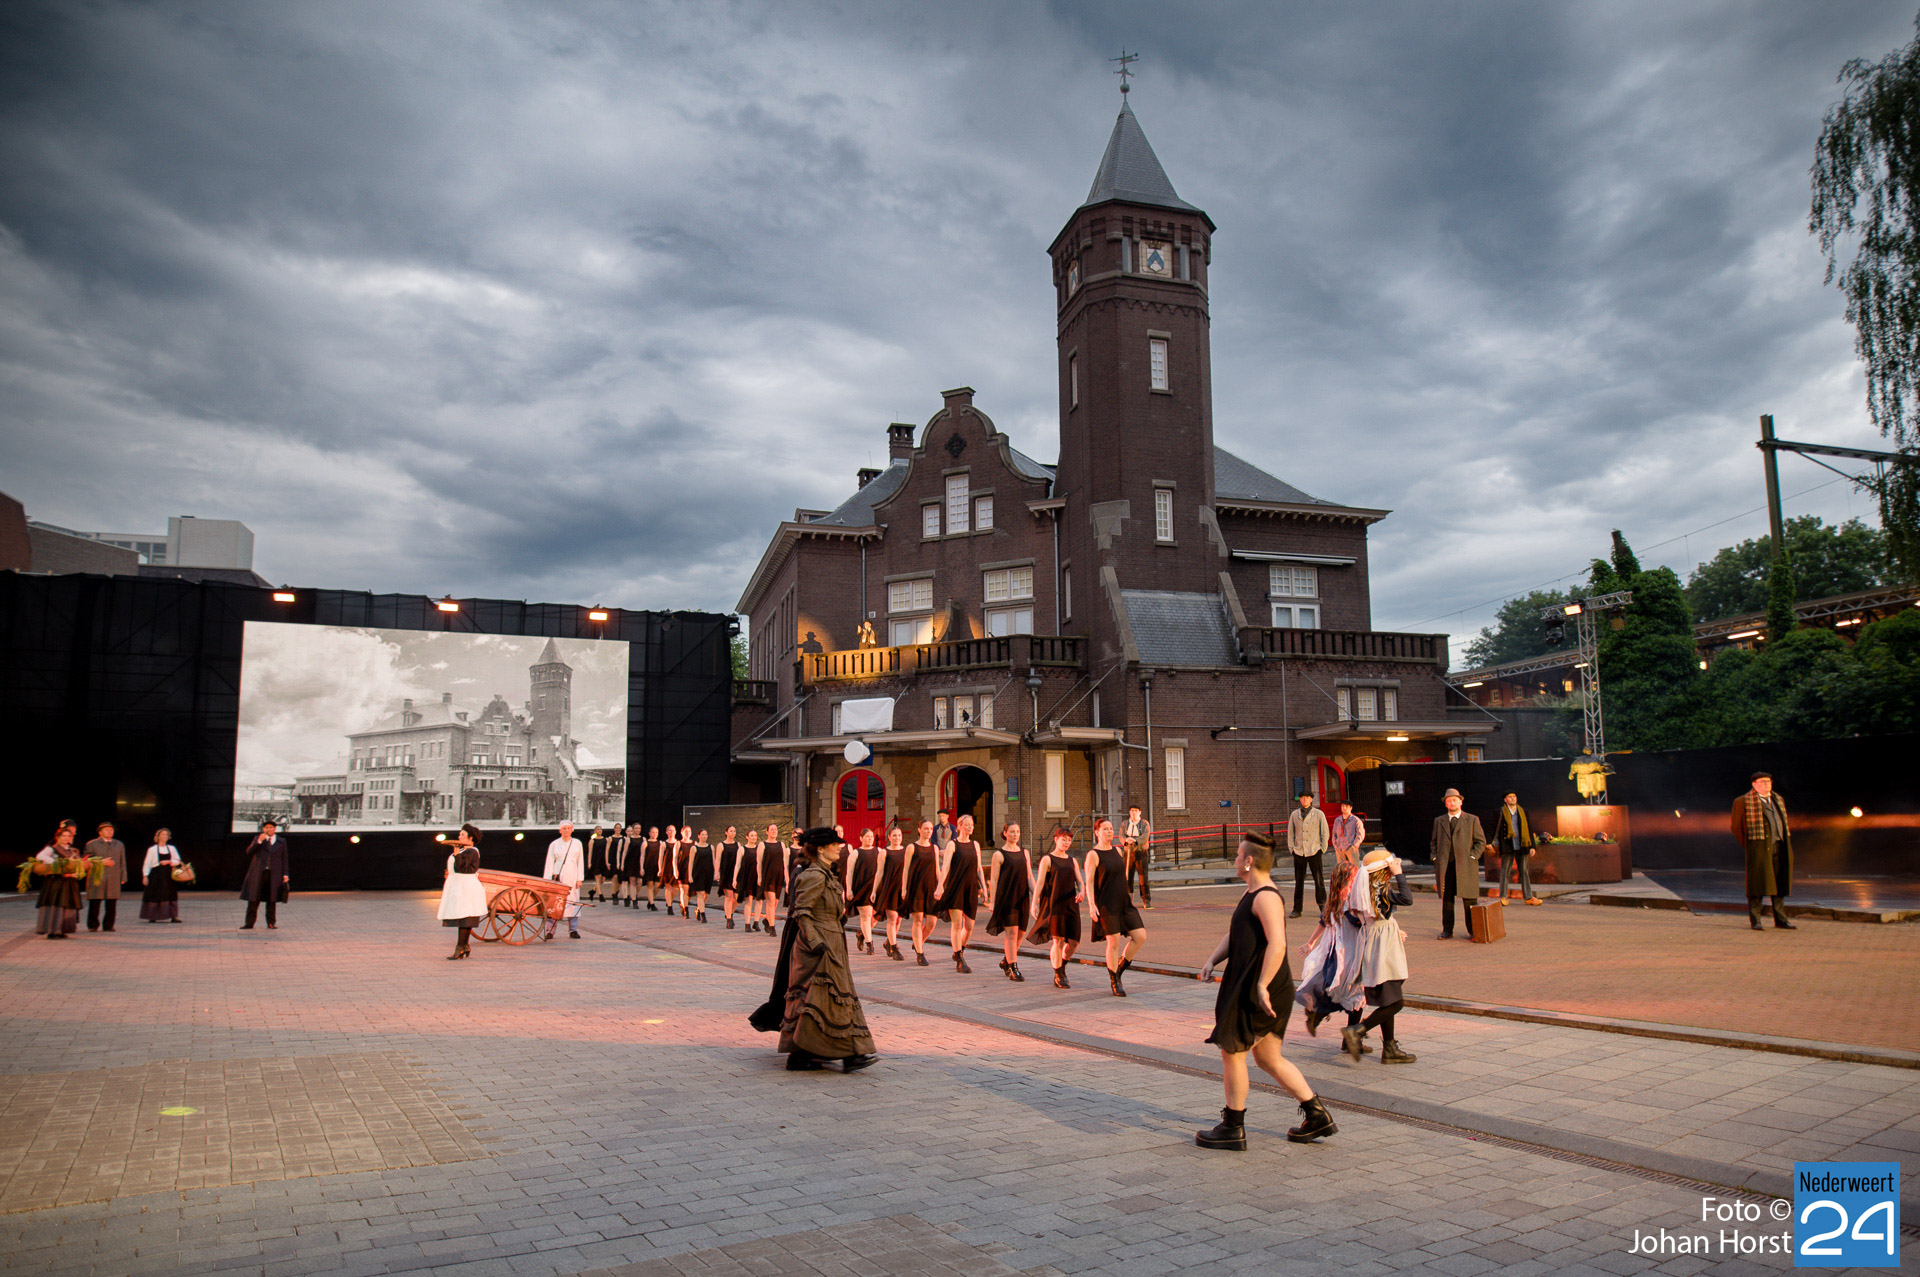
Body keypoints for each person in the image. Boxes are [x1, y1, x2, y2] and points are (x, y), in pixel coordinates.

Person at [1196, 832, 1337, 1150]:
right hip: (1257, 985)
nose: (1234, 859)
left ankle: (1233, 1127)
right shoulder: (1252, 893)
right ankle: (1316, 1115)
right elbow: (1236, 934)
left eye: (1237, 855)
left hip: (1262, 988)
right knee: (1269, 1058)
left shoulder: (1266, 897)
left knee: (1233, 1052)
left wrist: (1261, 985)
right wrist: (1212, 960)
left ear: (1248, 861)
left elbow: (1278, 944)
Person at [750, 828, 877, 1073]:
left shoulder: (827, 873)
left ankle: (847, 1053)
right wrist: (816, 942)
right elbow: (802, 913)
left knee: (834, 997)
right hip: (816, 947)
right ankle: (809, 1055)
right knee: (814, 999)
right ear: (820, 849)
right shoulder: (813, 875)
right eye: (834, 845)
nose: (839, 848)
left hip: (832, 942)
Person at [1337, 849, 1416, 1063]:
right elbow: (1407, 898)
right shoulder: (1382, 889)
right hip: (1384, 945)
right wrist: (1399, 874)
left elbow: (1351, 914)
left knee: (1387, 999)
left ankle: (1389, 1048)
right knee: (1395, 1002)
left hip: (1370, 941)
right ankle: (1358, 1031)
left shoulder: (1363, 888)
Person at [1086, 816, 1146, 996]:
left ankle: (1119, 967)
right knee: (1114, 941)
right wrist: (1091, 905)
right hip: (1106, 904)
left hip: (1123, 902)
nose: (1109, 831)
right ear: (1097, 832)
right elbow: (1089, 882)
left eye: (1111, 828)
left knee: (1140, 936)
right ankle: (1115, 980)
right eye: (1105, 829)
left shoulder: (1118, 851)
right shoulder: (1093, 855)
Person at [1733, 772, 1795, 931]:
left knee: (1780, 883)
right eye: (1762, 781)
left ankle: (1781, 919)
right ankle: (1756, 920)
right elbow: (1736, 827)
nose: (1766, 784)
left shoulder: (1778, 799)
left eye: (1768, 781)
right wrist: (1751, 846)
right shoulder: (1743, 801)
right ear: (1754, 784)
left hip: (1779, 845)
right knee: (1757, 884)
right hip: (1759, 848)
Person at [1030, 826, 1084, 988]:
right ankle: (1058, 973)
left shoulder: (1072, 860)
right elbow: (1040, 882)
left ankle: (1061, 966)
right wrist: (1034, 903)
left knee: (1074, 942)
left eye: (1069, 840)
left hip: (1071, 904)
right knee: (1058, 940)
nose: (1066, 842)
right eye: (1063, 839)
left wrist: (1082, 892)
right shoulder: (1048, 859)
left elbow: (1080, 881)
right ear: (1056, 839)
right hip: (1054, 904)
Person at [1429, 789, 1487, 940]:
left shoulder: (1472, 820)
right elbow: (1433, 842)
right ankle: (1447, 930)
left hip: (1466, 866)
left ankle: (1473, 931)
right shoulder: (1439, 821)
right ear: (1445, 804)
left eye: (1454, 800)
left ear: (1461, 801)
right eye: (1449, 801)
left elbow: (1481, 842)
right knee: (1447, 900)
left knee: (1469, 900)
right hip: (1446, 867)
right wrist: (1434, 857)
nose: (1452, 803)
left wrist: (1473, 856)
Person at [934, 813, 986, 973]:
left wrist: (984, 888)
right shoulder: (952, 845)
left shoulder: (975, 845)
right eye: (967, 824)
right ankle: (959, 957)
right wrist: (940, 886)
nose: (970, 827)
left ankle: (959, 950)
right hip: (955, 887)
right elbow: (946, 867)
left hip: (970, 888)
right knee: (957, 924)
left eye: (972, 825)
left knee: (969, 926)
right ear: (960, 826)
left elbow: (979, 868)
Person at [984, 822, 1033, 982]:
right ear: (1005, 833)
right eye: (1012, 831)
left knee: (1021, 933)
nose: (1015, 834)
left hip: (1022, 897)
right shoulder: (999, 855)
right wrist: (992, 901)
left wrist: (1037, 894)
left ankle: (1006, 960)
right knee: (1011, 933)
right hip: (1007, 898)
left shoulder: (1025, 853)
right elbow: (994, 880)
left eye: (1017, 831)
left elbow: (1029, 876)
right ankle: (1013, 967)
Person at [438, 824, 487, 959]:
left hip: (467, 887)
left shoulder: (472, 852)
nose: (459, 837)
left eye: (462, 835)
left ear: (470, 838)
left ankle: (460, 947)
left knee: (465, 917)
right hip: (458, 886)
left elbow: (461, 867)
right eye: (459, 834)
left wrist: (456, 851)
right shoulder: (463, 851)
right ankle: (464, 946)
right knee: (462, 916)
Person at [901, 818, 941, 966]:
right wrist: (904, 888)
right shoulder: (912, 847)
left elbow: (937, 869)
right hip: (916, 887)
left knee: (932, 922)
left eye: (930, 829)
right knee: (917, 919)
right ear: (919, 830)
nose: (928, 831)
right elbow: (906, 869)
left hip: (931, 887)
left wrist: (941, 885)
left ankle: (918, 942)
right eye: (925, 828)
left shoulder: (934, 848)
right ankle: (920, 952)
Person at [33, 824, 84, 939]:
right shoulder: (51, 849)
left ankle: (61, 930)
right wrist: (57, 864)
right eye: (63, 836)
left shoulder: (73, 850)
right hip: (55, 882)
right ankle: (53, 931)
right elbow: (40, 856)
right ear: (58, 837)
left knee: (67, 905)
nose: (66, 838)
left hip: (69, 882)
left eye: (68, 836)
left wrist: (75, 873)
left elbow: (79, 864)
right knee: (56, 905)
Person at [1491, 792, 1541, 905]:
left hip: (1522, 845)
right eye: (1510, 797)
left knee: (1524, 871)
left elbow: (1529, 829)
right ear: (1505, 800)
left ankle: (1528, 897)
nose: (1513, 798)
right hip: (1507, 845)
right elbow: (1493, 828)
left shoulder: (1523, 811)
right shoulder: (1500, 812)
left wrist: (1532, 846)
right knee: (1505, 871)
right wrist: (1489, 842)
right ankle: (1503, 897)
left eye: (1514, 796)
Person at [240, 819, 290, 930]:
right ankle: (249, 923)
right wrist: (259, 841)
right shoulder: (258, 839)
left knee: (271, 898)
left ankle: (271, 922)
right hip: (259, 873)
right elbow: (249, 851)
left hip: (274, 874)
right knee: (254, 898)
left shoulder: (281, 841)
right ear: (263, 829)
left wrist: (285, 874)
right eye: (266, 828)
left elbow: (284, 858)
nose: (268, 829)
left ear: (275, 829)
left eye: (271, 827)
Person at [1286, 793, 1330, 918]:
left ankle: (1323, 907)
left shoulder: (1319, 814)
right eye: (1302, 798)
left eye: (1307, 798)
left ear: (1311, 800)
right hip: (1299, 851)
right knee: (1299, 881)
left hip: (1314, 850)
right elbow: (1290, 832)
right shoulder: (1294, 814)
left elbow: (1324, 832)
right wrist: (1291, 848)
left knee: (1318, 880)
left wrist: (1322, 848)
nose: (1304, 800)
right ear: (1300, 799)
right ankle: (1297, 909)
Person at [84, 821, 130, 932]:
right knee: (95, 901)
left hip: (113, 876)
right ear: (100, 832)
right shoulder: (92, 844)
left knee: (111, 903)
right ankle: (93, 925)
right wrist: (101, 861)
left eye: (111, 829)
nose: (109, 831)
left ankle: (109, 925)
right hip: (97, 876)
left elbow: (122, 862)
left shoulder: (119, 844)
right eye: (106, 830)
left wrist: (123, 876)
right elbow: (86, 860)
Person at [844, 827, 883, 954]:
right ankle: (869, 944)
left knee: (876, 915)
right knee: (866, 915)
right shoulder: (856, 853)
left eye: (871, 836)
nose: (870, 838)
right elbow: (849, 872)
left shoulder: (879, 851)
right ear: (861, 838)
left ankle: (862, 934)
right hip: (861, 887)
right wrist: (849, 889)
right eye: (867, 836)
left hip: (876, 887)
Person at [544, 821, 585, 940]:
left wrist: (579, 879)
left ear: (572, 829)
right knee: (554, 903)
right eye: (564, 828)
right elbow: (549, 862)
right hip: (558, 876)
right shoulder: (554, 844)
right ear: (560, 830)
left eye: (568, 828)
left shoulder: (577, 843)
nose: (566, 830)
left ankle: (573, 930)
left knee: (573, 902)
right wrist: (548, 880)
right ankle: (550, 930)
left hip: (572, 876)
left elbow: (580, 861)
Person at [874, 824, 910, 960]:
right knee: (892, 917)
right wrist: (874, 891)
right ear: (889, 837)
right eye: (894, 835)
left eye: (899, 835)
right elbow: (879, 872)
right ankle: (894, 949)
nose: (897, 838)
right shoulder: (884, 852)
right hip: (889, 888)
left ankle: (888, 942)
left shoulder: (906, 851)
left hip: (902, 888)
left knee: (899, 918)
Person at [139, 827, 184, 923]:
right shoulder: (152, 849)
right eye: (163, 835)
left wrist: (169, 861)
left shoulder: (172, 848)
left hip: (168, 876)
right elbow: (147, 863)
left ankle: (173, 916)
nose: (165, 836)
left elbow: (178, 861)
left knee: (170, 894)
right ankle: (152, 916)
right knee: (155, 894)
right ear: (158, 836)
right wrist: (145, 876)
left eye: (166, 835)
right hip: (156, 875)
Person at [1119, 804, 1154, 908]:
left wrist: (1135, 840)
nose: (1134, 813)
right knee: (1127, 877)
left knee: (1143, 877)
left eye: (1136, 811)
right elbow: (1121, 835)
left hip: (1141, 853)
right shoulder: (1125, 824)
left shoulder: (1144, 823)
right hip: (1128, 853)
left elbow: (1145, 836)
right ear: (1129, 812)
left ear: (1139, 812)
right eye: (1132, 811)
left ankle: (1146, 900)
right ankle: (1128, 901)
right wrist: (1126, 841)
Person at [759, 823, 789, 937]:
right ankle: (772, 927)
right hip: (768, 876)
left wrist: (786, 878)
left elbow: (785, 863)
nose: (774, 831)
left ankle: (767, 919)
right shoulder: (763, 844)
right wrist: (760, 877)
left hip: (779, 876)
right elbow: (759, 862)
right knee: (770, 901)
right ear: (767, 832)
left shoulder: (781, 844)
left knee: (776, 902)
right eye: (771, 830)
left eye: (775, 829)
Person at [735, 828, 764, 931]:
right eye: (751, 835)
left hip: (758, 877)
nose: (754, 837)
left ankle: (756, 922)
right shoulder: (742, 849)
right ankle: (747, 923)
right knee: (749, 900)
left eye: (755, 835)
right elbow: (737, 865)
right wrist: (734, 878)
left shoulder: (759, 848)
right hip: (747, 877)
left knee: (759, 900)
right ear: (747, 837)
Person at [687, 828, 715, 923]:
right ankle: (703, 914)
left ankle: (698, 909)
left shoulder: (711, 847)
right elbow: (691, 862)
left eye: (706, 834)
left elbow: (713, 860)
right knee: (700, 893)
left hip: (708, 873)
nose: (704, 836)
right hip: (698, 874)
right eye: (702, 834)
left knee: (706, 895)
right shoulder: (694, 848)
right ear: (699, 836)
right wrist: (690, 875)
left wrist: (716, 872)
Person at [1328, 799, 1366, 869]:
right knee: (1342, 869)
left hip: (1350, 847)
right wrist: (1335, 845)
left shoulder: (1356, 820)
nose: (1344, 808)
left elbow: (1360, 834)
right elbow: (1334, 834)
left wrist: (1354, 845)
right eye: (1342, 806)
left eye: (1346, 806)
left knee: (1354, 868)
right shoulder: (1337, 820)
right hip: (1339, 848)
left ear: (1351, 808)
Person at [717, 826, 742, 928]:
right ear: (726, 832)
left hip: (736, 873)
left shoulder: (738, 845)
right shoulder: (721, 845)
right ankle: (728, 919)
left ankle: (730, 912)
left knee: (737, 898)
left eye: (734, 831)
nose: (733, 833)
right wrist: (716, 872)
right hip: (726, 873)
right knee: (729, 896)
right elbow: (718, 860)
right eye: (731, 831)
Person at [640, 826, 663, 911]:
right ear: (649, 833)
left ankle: (650, 900)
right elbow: (642, 856)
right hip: (648, 866)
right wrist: (641, 868)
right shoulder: (645, 843)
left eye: (656, 832)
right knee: (650, 885)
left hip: (657, 867)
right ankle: (652, 904)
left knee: (657, 886)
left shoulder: (660, 843)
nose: (654, 834)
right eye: (653, 832)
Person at [585, 825, 609, 901]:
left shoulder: (606, 840)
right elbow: (590, 852)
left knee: (602, 880)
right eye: (598, 829)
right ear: (595, 831)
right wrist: (589, 862)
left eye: (600, 829)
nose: (599, 830)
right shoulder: (592, 841)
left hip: (603, 861)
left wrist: (607, 862)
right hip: (596, 861)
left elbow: (607, 851)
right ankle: (600, 895)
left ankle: (592, 891)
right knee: (598, 879)